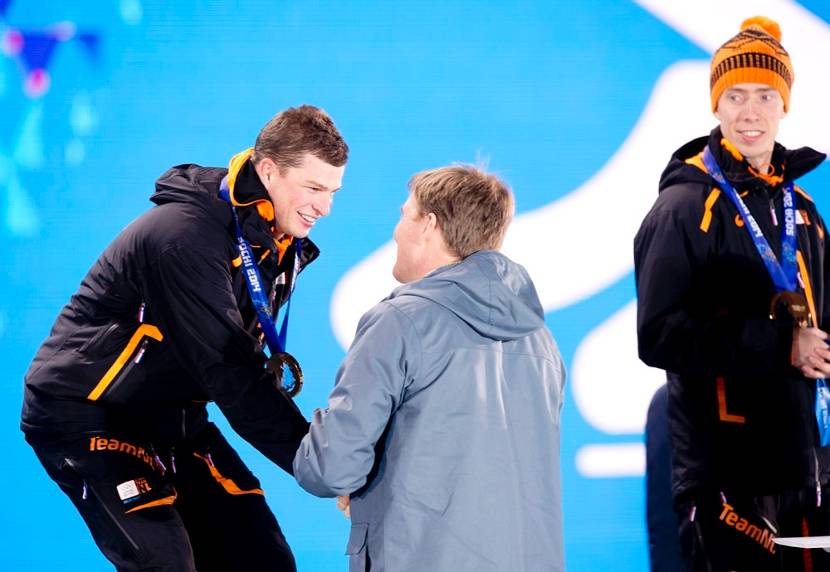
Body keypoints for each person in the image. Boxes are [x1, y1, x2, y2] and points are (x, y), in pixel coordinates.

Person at [21, 104, 348, 571]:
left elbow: (238, 362)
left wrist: (328, 464)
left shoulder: (275, 237)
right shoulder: (185, 237)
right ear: (269, 171)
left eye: (333, 191)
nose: (325, 207)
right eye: (314, 188)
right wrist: (323, 466)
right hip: (90, 413)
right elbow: (230, 372)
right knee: (167, 563)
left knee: (263, 561)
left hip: (174, 416)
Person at [293, 165, 566, 571]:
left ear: (428, 225)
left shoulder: (399, 322)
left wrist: (350, 469)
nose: (396, 231)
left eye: (405, 215)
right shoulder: (541, 341)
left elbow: (331, 468)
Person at [634, 16, 830, 572]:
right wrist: (780, 346)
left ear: (784, 105)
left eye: (765, 96)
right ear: (716, 106)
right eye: (736, 96)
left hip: (810, 472)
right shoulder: (683, 208)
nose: (750, 112)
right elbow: (659, 335)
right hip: (728, 479)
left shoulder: (804, 211)